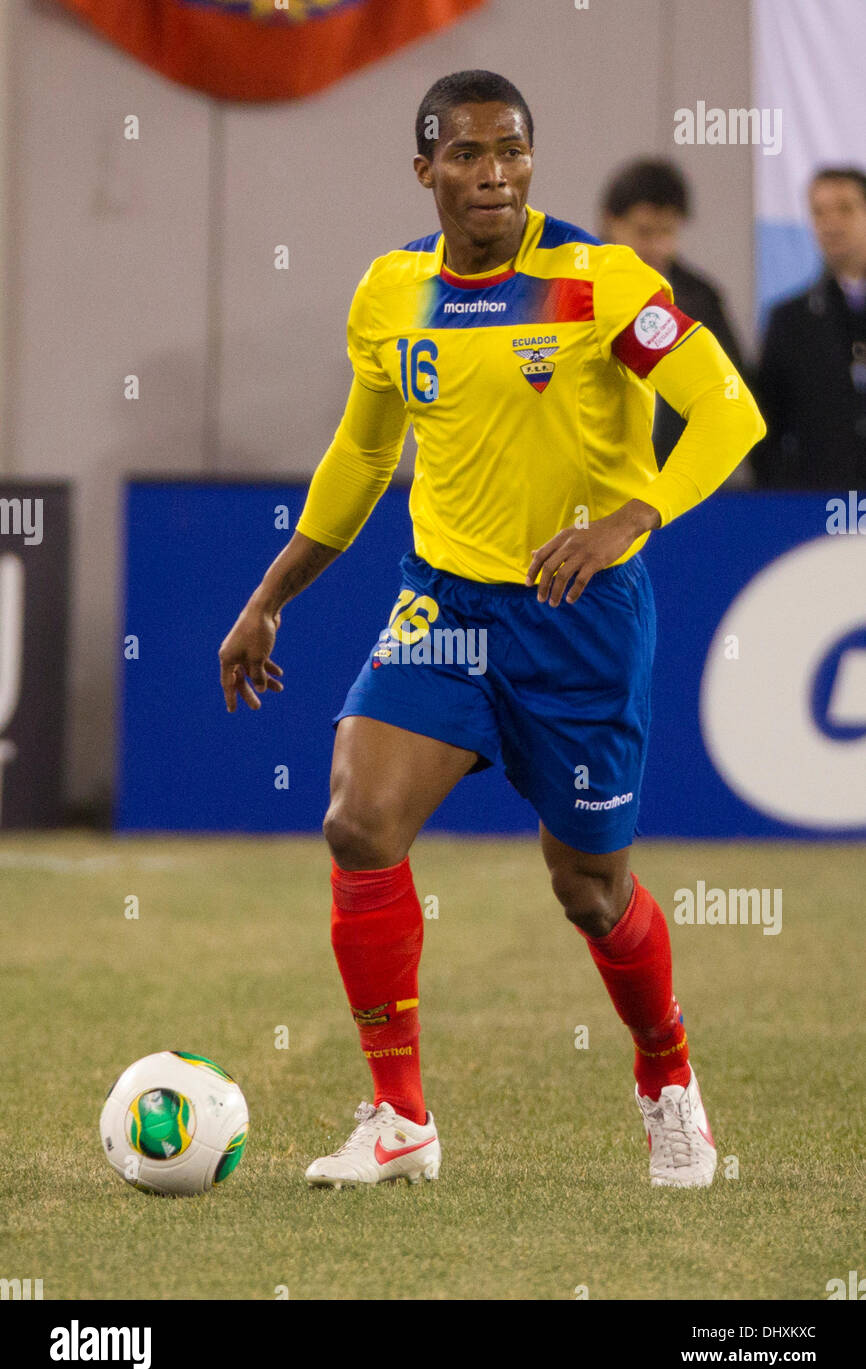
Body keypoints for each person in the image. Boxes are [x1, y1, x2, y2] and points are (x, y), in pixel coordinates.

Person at [218, 70, 765, 1190]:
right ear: (423, 169)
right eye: (466, 155)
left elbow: (727, 409)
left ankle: (666, 1077)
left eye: (511, 150)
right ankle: (398, 1114)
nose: (493, 175)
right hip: (445, 604)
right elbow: (364, 457)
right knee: (359, 818)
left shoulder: (599, 281)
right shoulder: (390, 295)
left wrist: (630, 514)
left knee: (588, 889)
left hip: (580, 621)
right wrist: (271, 594)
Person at [600, 158, 747, 467]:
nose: (657, 247)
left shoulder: (703, 299)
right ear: (611, 222)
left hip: (677, 481)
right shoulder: (575, 289)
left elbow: (731, 392)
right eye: (644, 232)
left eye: (667, 232)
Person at [753, 167, 866, 490]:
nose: (831, 224)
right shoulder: (789, 320)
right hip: (816, 508)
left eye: (845, 208)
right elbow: (766, 422)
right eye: (819, 212)